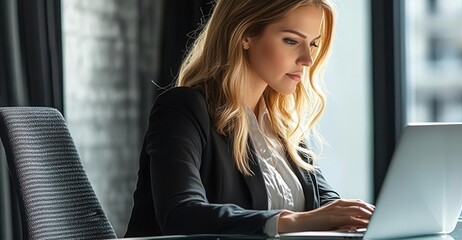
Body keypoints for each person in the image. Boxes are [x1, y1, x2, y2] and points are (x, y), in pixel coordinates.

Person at [124, 0, 374, 237]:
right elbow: (180, 214)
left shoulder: (281, 127)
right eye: (291, 40)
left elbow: (326, 205)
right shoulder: (183, 109)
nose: (307, 60)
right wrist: (296, 221)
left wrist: (361, 216)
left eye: (313, 44)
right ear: (245, 35)